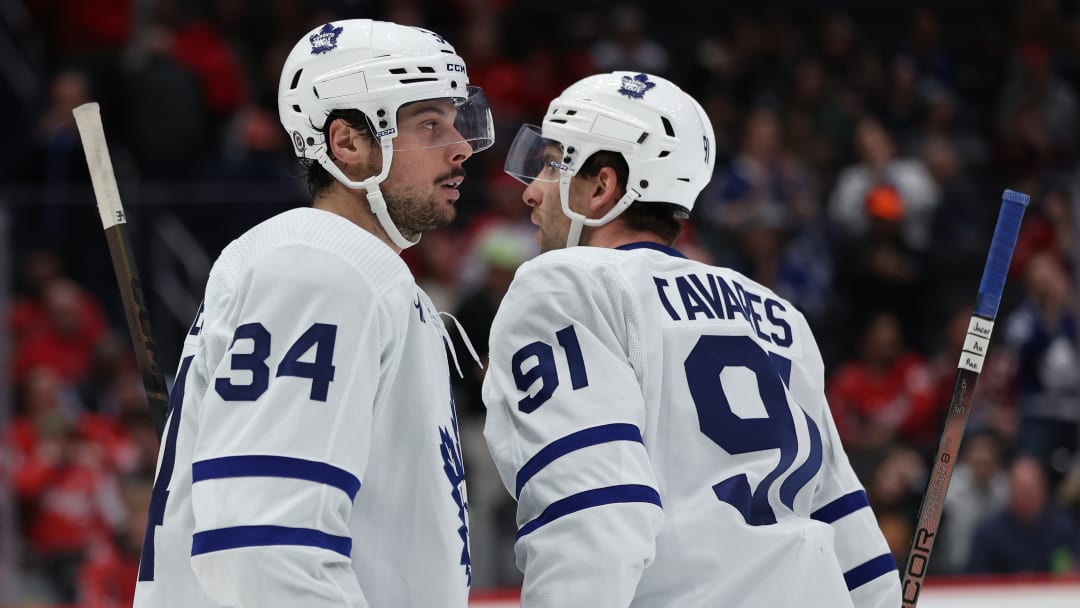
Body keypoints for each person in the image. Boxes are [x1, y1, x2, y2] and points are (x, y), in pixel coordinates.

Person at [482, 71, 900, 607]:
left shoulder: (567, 284)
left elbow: (595, 514)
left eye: (552, 163)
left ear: (604, 187)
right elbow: (847, 529)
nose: (533, 191)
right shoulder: (775, 313)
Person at [132, 19, 493, 608]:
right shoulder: (317, 267)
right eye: (430, 123)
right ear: (348, 143)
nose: (461, 148)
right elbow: (261, 548)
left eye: (458, 122)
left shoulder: (356, 273)